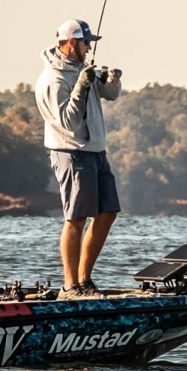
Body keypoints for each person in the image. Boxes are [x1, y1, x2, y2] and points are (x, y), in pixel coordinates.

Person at [35, 19, 122, 299]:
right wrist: (81, 86)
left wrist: (112, 81)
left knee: (108, 211)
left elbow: (109, 95)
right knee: (76, 218)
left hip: (96, 152)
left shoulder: (83, 69)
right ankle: (70, 287)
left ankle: (84, 281)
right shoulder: (53, 79)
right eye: (86, 43)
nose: (89, 48)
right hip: (71, 153)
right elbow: (68, 123)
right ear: (72, 42)